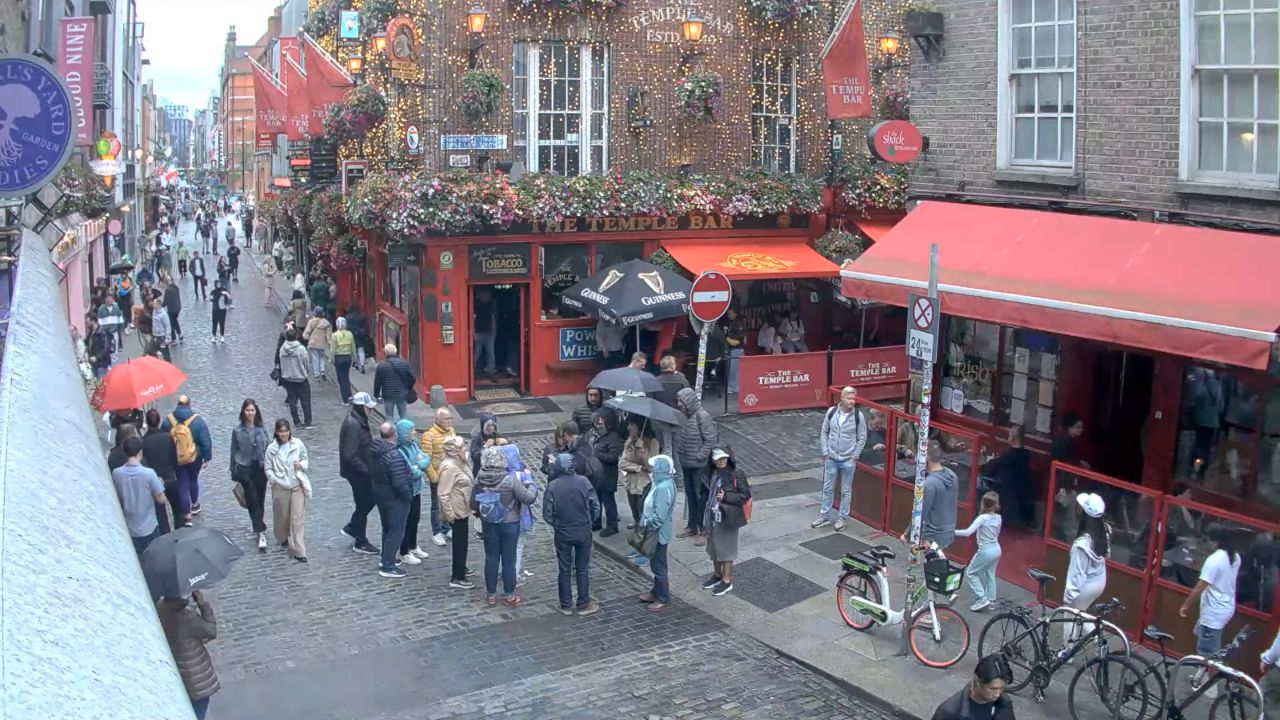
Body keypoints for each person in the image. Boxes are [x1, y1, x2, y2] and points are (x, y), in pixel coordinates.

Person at [472, 445, 536, 605]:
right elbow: (528, 498)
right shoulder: (509, 480)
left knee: (491, 558)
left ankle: (491, 594)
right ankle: (509, 594)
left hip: (489, 523)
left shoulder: (479, 479)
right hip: (510, 523)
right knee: (509, 559)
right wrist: (532, 486)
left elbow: (472, 503)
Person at [1181, 524, 1242, 686]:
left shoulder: (1214, 560)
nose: (1204, 543)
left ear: (1214, 541)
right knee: (1200, 632)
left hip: (1214, 611)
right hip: (1225, 607)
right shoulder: (1234, 556)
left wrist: (1186, 605)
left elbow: (1200, 586)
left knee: (1208, 651)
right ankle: (1200, 674)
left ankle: (1209, 685)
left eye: (1206, 540)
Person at [542, 452, 601, 616]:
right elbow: (595, 506)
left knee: (564, 568)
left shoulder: (553, 486)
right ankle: (583, 603)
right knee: (582, 568)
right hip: (583, 530)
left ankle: (565, 604)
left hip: (563, 531)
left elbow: (547, 513)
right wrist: (588, 521)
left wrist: (558, 525)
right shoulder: (584, 482)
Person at [156, 591, 220, 720]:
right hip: (194, 677)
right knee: (198, 712)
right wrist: (202, 604)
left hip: (174, 672)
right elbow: (211, 631)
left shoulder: (159, 609)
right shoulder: (186, 618)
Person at [813, 387, 867, 532]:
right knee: (827, 488)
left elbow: (862, 437)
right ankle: (824, 516)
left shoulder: (858, 416)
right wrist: (825, 451)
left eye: (854, 399)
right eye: (849, 398)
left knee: (845, 490)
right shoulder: (831, 412)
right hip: (831, 458)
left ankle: (842, 518)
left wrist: (855, 456)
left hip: (848, 460)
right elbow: (824, 432)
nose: (852, 401)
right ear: (842, 398)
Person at [1063, 493, 1109, 646]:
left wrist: (1069, 596)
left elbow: (1077, 573)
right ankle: (1097, 638)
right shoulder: (1105, 530)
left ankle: (1067, 652)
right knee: (1080, 611)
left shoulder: (1082, 544)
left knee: (1070, 613)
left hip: (1087, 584)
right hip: (1099, 580)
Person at [111, 435, 167, 555]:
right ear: (140, 452)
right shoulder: (149, 474)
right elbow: (161, 499)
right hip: (149, 527)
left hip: (129, 528)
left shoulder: (116, 473)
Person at [372, 422, 415, 579]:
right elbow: (400, 482)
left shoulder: (376, 451)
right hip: (395, 498)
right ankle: (388, 565)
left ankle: (386, 558)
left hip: (381, 495)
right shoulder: (394, 455)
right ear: (394, 435)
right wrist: (408, 495)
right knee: (396, 531)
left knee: (387, 528)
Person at [675, 387, 718, 545]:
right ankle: (692, 525)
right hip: (686, 464)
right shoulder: (685, 417)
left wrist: (699, 455)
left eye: (681, 401)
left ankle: (704, 530)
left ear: (689, 402)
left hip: (699, 465)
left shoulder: (702, 416)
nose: (679, 404)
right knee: (691, 496)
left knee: (702, 499)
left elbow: (711, 440)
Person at [339, 392, 379, 555]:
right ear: (361, 407)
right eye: (368, 408)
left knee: (366, 502)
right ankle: (360, 539)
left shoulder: (357, 420)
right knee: (364, 503)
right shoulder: (354, 424)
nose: (370, 411)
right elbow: (350, 455)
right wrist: (366, 471)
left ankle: (353, 527)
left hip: (359, 472)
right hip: (358, 474)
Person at [163, 396, 213, 526]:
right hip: (194, 457)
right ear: (189, 404)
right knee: (193, 479)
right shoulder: (197, 421)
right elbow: (205, 441)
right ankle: (195, 505)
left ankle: (186, 515)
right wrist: (207, 457)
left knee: (182, 483)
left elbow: (164, 439)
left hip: (177, 458)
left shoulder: (168, 421)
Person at [265, 418, 310, 562]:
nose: (283, 434)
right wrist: (275, 479)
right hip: (280, 487)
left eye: (286, 431)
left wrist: (301, 465)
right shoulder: (271, 449)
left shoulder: (298, 444)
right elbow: (268, 468)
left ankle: (299, 550)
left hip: (297, 485)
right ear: (276, 433)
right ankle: (282, 536)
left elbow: (305, 459)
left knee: (297, 519)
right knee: (283, 516)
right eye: (280, 431)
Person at [229, 399, 271, 552]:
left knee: (260, 498)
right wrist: (232, 469)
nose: (250, 413)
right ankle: (260, 531)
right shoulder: (238, 430)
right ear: (243, 412)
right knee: (252, 498)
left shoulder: (262, 428)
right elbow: (233, 451)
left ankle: (259, 522)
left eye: (252, 410)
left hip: (260, 467)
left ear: (256, 411)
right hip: (245, 469)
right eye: (247, 410)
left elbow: (270, 447)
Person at [639, 454, 677, 611]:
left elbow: (658, 517)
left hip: (657, 534)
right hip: (656, 532)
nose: (652, 470)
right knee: (656, 563)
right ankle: (656, 592)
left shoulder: (663, 488)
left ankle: (662, 597)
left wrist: (645, 524)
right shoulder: (662, 484)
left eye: (655, 468)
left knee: (659, 565)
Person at [437, 435, 475, 589]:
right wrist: (449, 515)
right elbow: (443, 493)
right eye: (461, 447)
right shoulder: (450, 467)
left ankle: (461, 568)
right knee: (459, 543)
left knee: (463, 542)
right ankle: (457, 576)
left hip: (463, 508)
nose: (464, 449)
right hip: (457, 511)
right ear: (454, 450)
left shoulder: (458, 462)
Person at [956, 492, 1004, 611]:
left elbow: (968, 532)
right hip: (997, 549)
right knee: (990, 574)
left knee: (971, 573)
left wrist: (952, 531)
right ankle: (991, 601)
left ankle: (982, 598)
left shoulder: (982, 518)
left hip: (985, 550)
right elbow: (997, 534)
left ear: (983, 504)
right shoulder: (999, 517)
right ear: (995, 505)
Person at [931, 654, 1016, 720]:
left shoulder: (1004, 704)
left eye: (1001, 688)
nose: (998, 694)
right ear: (978, 682)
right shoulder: (950, 713)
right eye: (993, 689)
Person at [982, 425, 1035, 530]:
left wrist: (989, 462)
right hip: (1021, 490)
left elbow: (992, 470)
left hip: (1006, 489)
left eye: (1009, 436)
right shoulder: (1026, 454)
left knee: (979, 482)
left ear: (1012, 439)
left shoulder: (1008, 456)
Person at [396, 418, 432, 566]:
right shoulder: (400, 450)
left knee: (415, 519)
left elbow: (426, 458)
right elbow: (411, 472)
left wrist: (418, 465)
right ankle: (404, 551)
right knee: (406, 521)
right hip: (407, 490)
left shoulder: (413, 445)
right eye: (412, 430)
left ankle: (413, 545)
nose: (414, 432)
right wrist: (418, 466)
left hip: (416, 489)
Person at [501, 443, 538, 581]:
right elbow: (529, 495)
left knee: (502, 546)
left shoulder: (498, 474)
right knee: (518, 545)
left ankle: (501, 571)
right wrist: (531, 486)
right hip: (519, 516)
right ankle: (514, 574)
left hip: (500, 517)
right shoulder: (520, 475)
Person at [419, 407, 456, 547]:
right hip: (438, 477)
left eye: (451, 418)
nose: (449, 421)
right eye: (446, 419)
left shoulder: (452, 432)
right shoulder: (429, 436)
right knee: (436, 505)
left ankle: (447, 528)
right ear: (438, 420)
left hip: (450, 475)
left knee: (448, 503)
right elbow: (425, 460)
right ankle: (437, 532)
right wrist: (434, 478)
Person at [141, 409, 180, 533]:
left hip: (155, 482)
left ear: (146, 422)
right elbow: (175, 457)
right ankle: (179, 532)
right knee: (177, 509)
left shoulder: (143, 442)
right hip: (170, 477)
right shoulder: (167, 437)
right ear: (159, 422)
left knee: (160, 513)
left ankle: (166, 534)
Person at [621, 420, 659, 534]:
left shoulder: (653, 442)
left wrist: (642, 450)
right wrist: (638, 468)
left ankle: (643, 536)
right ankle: (638, 528)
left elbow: (651, 466)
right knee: (635, 512)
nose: (628, 427)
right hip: (631, 482)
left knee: (643, 512)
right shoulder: (629, 441)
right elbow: (622, 463)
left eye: (631, 424)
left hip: (644, 484)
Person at [590, 407, 623, 537]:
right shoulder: (594, 434)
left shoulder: (613, 437)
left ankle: (612, 525)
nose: (598, 422)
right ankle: (596, 521)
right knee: (596, 500)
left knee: (608, 501)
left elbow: (613, 457)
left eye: (601, 420)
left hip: (608, 475)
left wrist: (597, 454)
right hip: (596, 475)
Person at [921, 440, 960, 551]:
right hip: (948, 532)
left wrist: (908, 533)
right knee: (938, 563)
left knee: (931, 566)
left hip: (933, 536)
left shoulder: (930, 483)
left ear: (926, 457)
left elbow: (922, 511)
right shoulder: (952, 476)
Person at [277, 329, 313, 429]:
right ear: (296, 336)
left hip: (288, 379)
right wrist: (305, 371)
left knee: (292, 402)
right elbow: (306, 362)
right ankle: (307, 420)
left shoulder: (283, 349)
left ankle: (296, 421)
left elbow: (281, 362)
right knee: (305, 401)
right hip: (301, 378)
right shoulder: (301, 349)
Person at [373, 343, 415, 423]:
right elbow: (412, 378)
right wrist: (408, 388)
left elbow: (377, 382)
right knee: (403, 416)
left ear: (385, 353)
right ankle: (403, 433)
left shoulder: (381, 366)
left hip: (388, 395)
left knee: (389, 418)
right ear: (396, 352)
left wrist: (377, 394)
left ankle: (391, 434)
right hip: (402, 394)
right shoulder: (404, 364)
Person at [303, 307, 333, 382]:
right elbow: (328, 335)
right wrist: (329, 343)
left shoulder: (311, 321)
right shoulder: (326, 323)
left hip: (313, 343)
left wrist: (305, 338)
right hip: (322, 343)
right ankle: (322, 370)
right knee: (322, 357)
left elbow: (307, 331)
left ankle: (317, 375)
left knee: (315, 358)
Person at [330, 316, 356, 403]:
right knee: (346, 376)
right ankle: (349, 395)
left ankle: (345, 399)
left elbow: (333, 349)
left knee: (341, 378)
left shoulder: (334, 335)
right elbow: (353, 347)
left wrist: (331, 359)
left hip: (339, 358)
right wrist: (354, 358)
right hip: (348, 357)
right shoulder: (350, 334)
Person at [473, 287, 497, 377]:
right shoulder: (476, 304)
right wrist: (473, 332)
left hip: (489, 332)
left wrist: (494, 331)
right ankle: (472, 370)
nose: (488, 296)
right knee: (477, 353)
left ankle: (490, 370)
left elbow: (493, 317)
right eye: (487, 295)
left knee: (490, 352)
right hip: (478, 332)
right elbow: (473, 317)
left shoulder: (491, 304)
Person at [722, 308, 746, 393]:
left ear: (735, 314)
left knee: (734, 369)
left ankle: (733, 387)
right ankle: (732, 386)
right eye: (728, 314)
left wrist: (728, 338)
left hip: (737, 348)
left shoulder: (738, 323)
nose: (729, 315)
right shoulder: (730, 323)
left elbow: (739, 337)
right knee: (731, 368)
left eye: (731, 313)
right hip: (731, 348)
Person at [345, 304, 370, 372]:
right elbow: (366, 326)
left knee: (353, 351)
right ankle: (362, 365)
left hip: (352, 335)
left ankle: (356, 363)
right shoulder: (361, 316)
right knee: (361, 350)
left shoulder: (348, 317)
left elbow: (347, 328)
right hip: (360, 335)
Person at [149, 296, 172, 361]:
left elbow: (167, 326)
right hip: (155, 336)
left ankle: (168, 366)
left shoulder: (164, 314)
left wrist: (167, 337)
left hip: (162, 337)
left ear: (158, 304)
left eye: (154, 303)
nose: (153, 304)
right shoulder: (154, 311)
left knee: (165, 354)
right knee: (151, 351)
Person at [163, 277, 183, 344]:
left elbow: (165, 301)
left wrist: (161, 306)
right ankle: (180, 334)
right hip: (178, 307)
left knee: (171, 323)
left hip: (172, 309)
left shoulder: (167, 290)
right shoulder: (176, 287)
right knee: (175, 321)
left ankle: (174, 339)